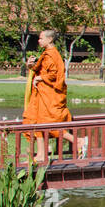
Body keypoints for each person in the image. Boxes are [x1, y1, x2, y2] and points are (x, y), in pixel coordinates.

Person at [22, 29, 85, 162]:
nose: (39, 41)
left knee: (48, 124)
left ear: (50, 39)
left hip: (50, 95)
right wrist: (30, 66)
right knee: (35, 121)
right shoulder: (46, 54)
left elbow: (53, 75)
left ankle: (78, 141)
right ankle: (41, 153)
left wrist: (40, 78)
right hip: (42, 95)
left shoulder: (52, 55)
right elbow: (41, 70)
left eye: (41, 38)